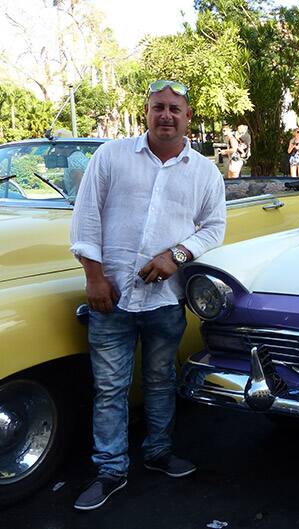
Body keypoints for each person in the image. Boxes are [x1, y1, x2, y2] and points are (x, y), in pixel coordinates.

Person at [69, 79, 226, 511]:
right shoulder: (111, 156)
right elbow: (86, 219)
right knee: (110, 388)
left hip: (165, 302)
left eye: (175, 108)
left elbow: (214, 227)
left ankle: (158, 453)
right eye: (159, 107)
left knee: (160, 381)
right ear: (147, 112)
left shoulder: (205, 172)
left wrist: (177, 255)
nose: (166, 115)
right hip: (111, 298)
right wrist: (94, 276)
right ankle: (110, 470)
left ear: (188, 116)